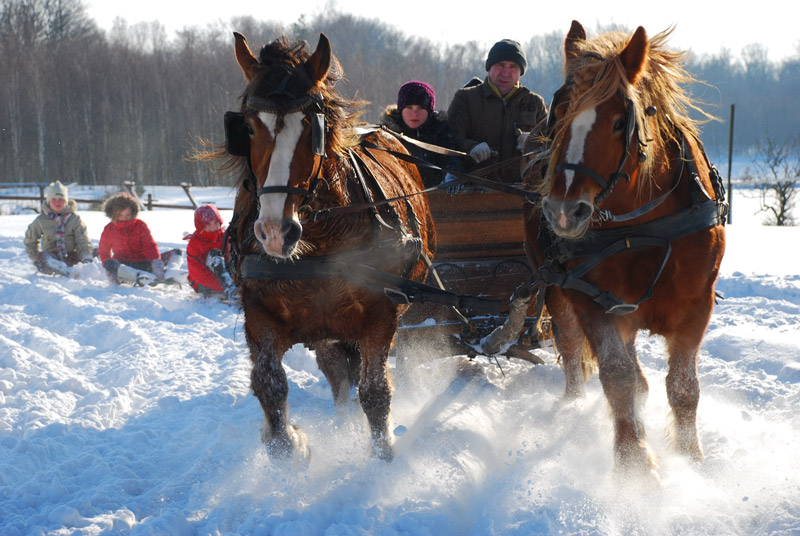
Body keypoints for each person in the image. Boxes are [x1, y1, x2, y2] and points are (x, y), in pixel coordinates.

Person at [446, 39, 547, 189]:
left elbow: (552, 147)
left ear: (521, 71)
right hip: (472, 192)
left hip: (521, 193)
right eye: (500, 65)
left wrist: (532, 142)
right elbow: (450, 138)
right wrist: (471, 147)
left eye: (513, 67)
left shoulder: (535, 102)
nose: (506, 72)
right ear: (489, 68)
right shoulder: (465, 98)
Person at [380, 80, 461, 188]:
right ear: (401, 109)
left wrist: (453, 175)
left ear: (429, 111)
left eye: (421, 108)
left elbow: (452, 158)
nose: (414, 113)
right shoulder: (387, 135)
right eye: (409, 108)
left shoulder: (441, 130)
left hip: (438, 195)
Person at [99, 192, 181, 285]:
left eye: (127, 215)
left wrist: (157, 264)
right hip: (123, 267)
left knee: (176, 252)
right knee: (108, 262)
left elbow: (150, 246)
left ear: (133, 213)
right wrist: (112, 274)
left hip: (144, 263)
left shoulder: (140, 225)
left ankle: (170, 272)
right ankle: (137, 276)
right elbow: (104, 251)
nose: (124, 218)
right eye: (121, 215)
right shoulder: (109, 229)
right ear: (114, 215)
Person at [24, 180, 94, 276]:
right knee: (45, 257)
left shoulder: (74, 219)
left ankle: (89, 269)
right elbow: (30, 239)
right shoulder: (41, 220)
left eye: (61, 199)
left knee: (95, 251)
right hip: (51, 257)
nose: (57, 202)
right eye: (54, 199)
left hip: (70, 255)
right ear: (49, 202)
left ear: (66, 201)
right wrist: (35, 256)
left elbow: (83, 240)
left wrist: (86, 257)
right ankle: (67, 272)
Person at [184, 204, 238, 302]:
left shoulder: (225, 235)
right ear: (200, 226)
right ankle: (231, 290)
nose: (213, 227)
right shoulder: (195, 243)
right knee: (215, 255)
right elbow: (198, 273)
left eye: (216, 222)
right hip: (204, 283)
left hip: (227, 276)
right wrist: (222, 286)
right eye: (208, 224)